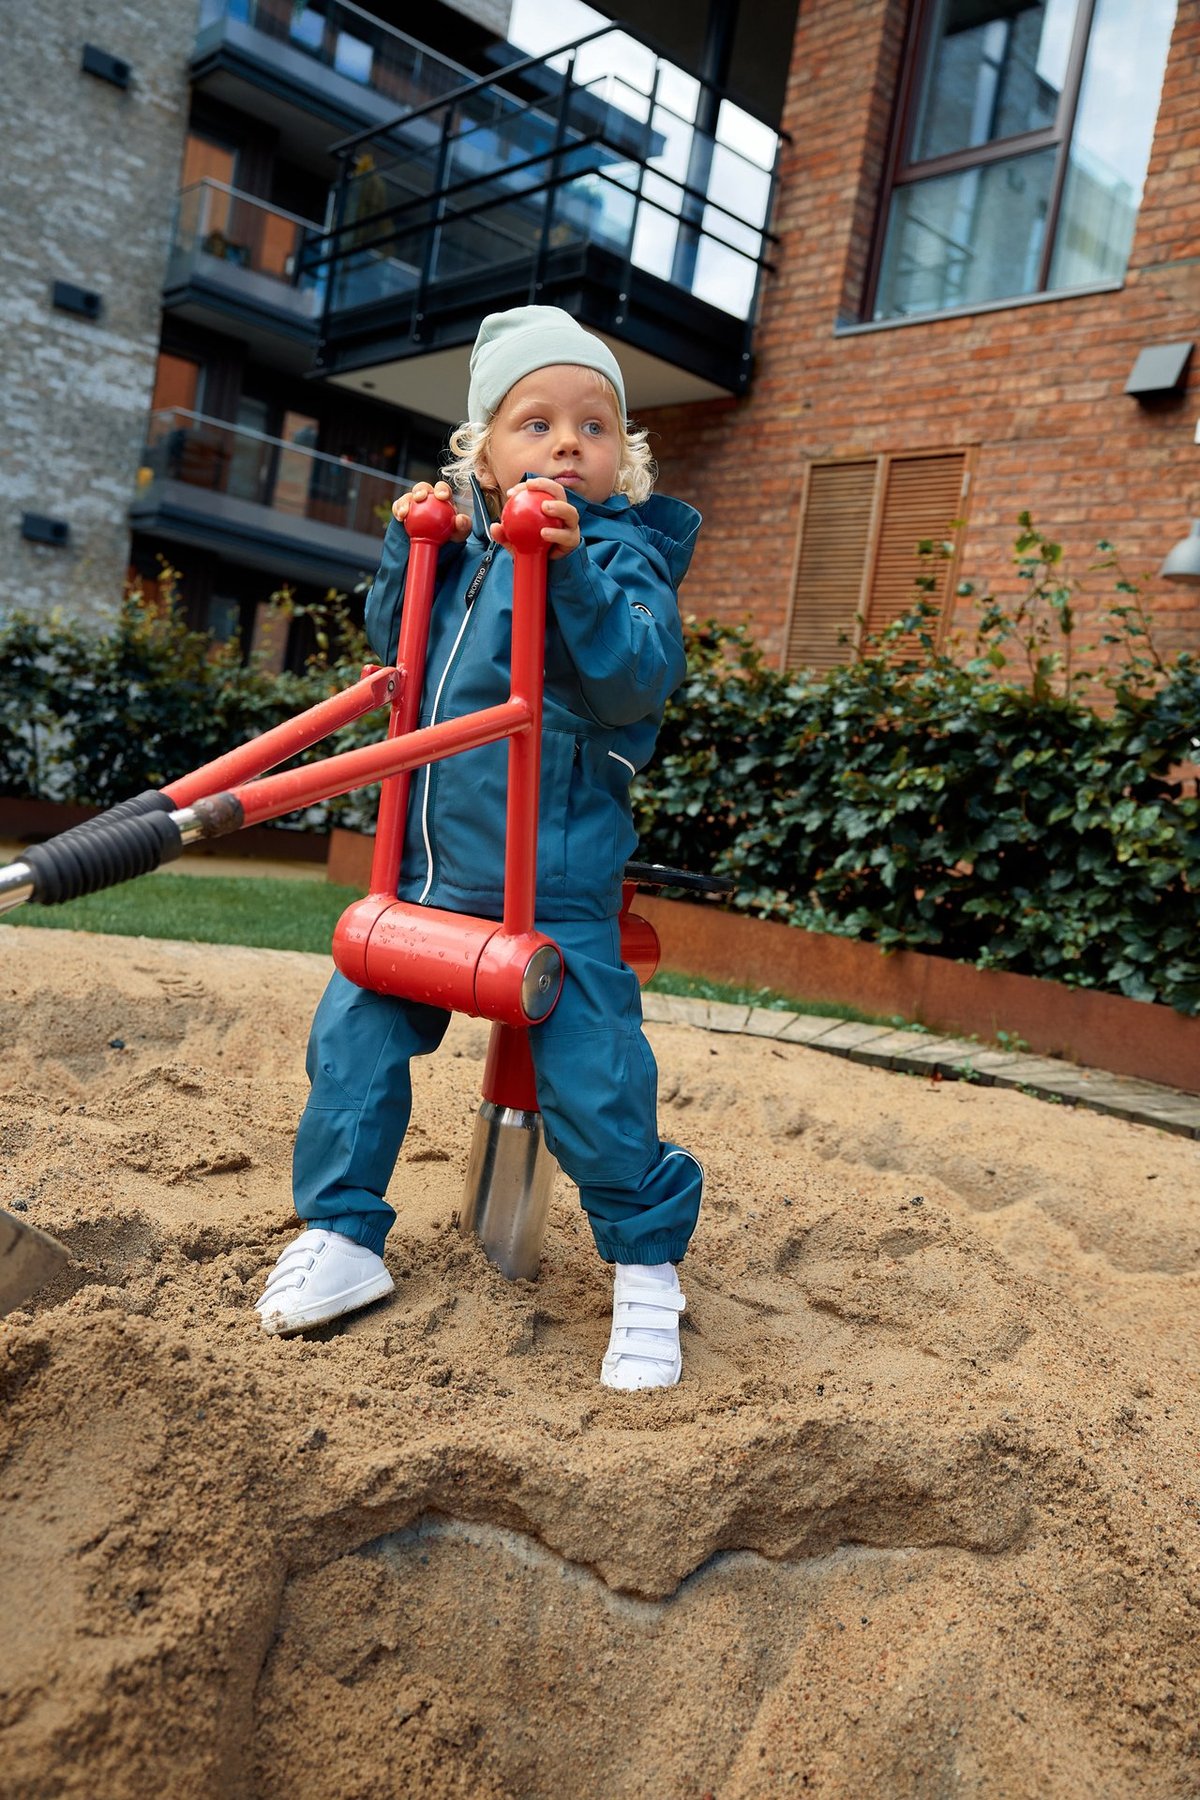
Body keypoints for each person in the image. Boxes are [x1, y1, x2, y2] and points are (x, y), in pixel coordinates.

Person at [254, 306, 703, 1390]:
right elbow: (388, 640)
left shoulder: (625, 557)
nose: (565, 442)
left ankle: (647, 1269)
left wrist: (577, 569)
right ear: (484, 456)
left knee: (596, 1085)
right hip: (429, 877)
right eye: (533, 422)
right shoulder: (458, 556)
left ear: (622, 462)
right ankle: (346, 1234)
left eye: (593, 426)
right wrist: (408, 548)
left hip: (555, 888)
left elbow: (634, 679)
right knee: (354, 1041)